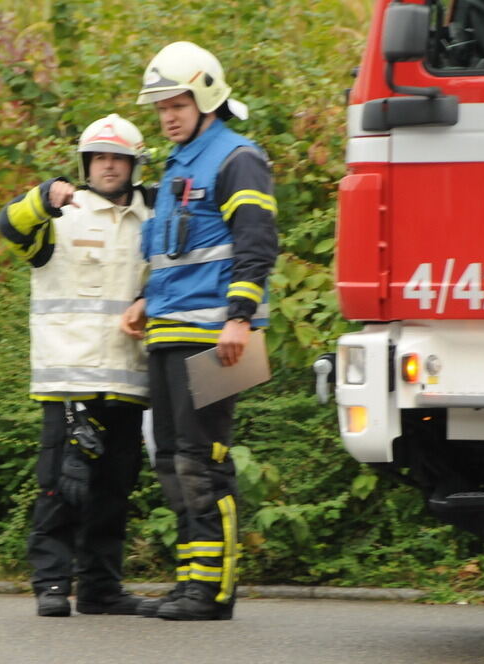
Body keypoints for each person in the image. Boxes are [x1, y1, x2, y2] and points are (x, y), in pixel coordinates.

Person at [121, 41, 279, 621]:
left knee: (203, 460)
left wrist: (240, 317)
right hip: (168, 332)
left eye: (177, 101)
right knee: (170, 459)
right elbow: (174, 254)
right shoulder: (177, 164)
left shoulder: (236, 156)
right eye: (160, 104)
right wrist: (143, 300)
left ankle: (216, 591)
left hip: (215, 336)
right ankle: (191, 580)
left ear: (207, 95)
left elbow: (256, 242)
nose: (167, 114)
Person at [0, 114, 152, 617]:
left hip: (128, 379)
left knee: (112, 493)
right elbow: (8, 225)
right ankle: (52, 585)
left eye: (117, 158)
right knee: (60, 489)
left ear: (134, 165)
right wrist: (43, 197)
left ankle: (102, 589)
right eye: (99, 158)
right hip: (69, 380)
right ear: (86, 164)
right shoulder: (62, 212)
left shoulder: (154, 217)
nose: (108, 166)